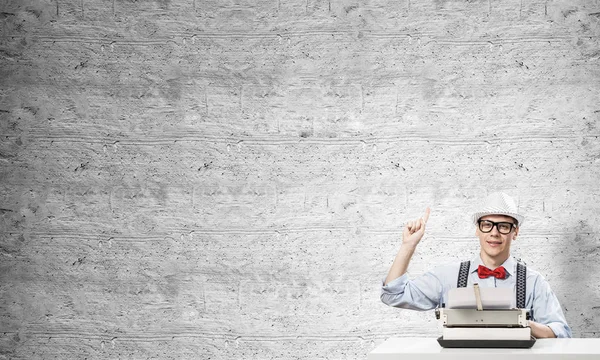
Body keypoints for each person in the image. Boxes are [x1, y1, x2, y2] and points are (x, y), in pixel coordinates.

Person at [381, 192, 572, 338]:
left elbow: (561, 332)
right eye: (487, 224)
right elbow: (394, 295)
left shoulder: (533, 282)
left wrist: (523, 323)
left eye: (503, 226)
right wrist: (408, 245)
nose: (494, 233)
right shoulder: (448, 277)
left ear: (515, 232)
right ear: (477, 230)